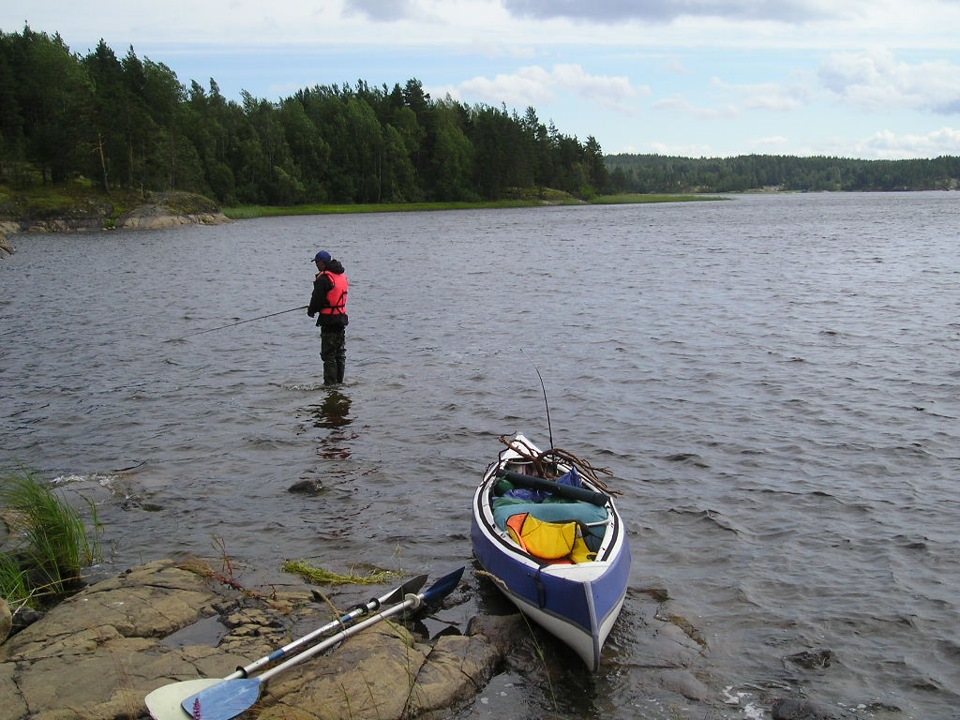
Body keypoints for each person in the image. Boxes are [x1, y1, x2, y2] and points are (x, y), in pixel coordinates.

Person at [307, 250, 349, 385]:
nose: (316, 266)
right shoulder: (340, 275)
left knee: (328, 355)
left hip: (329, 321)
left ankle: (330, 386)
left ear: (322, 263)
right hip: (341, 319)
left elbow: (317, 299)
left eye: (317, 263)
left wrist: (311, 311)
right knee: (340, 354)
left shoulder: (324, 278)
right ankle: (339, 383)